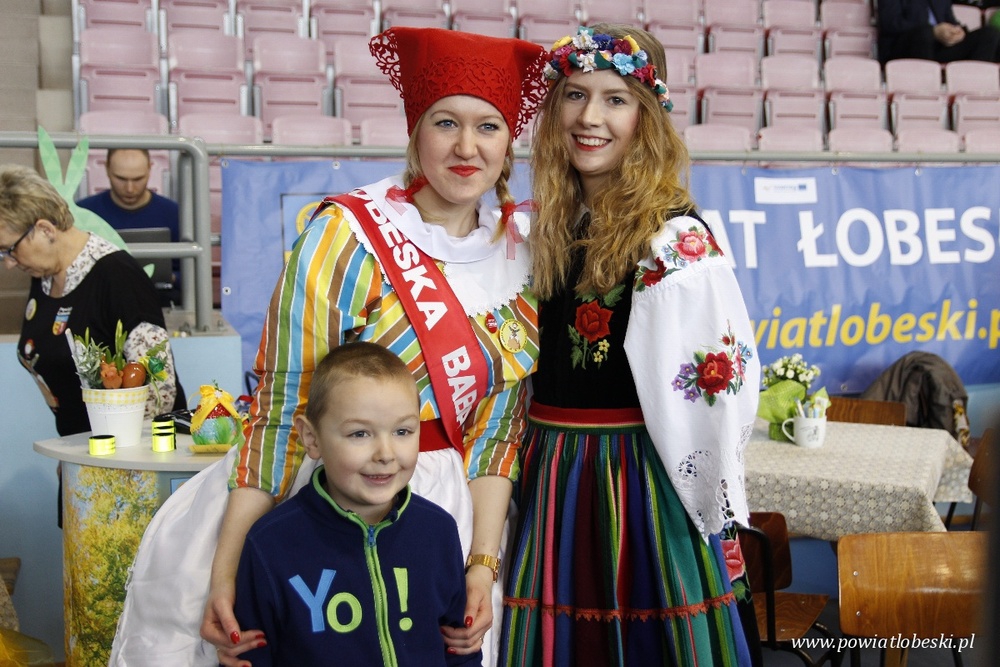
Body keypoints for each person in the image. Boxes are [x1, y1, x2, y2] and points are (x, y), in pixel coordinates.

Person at [108, 27, 548, 667]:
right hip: (325, 503)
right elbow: (284, 406)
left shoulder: (521, 254)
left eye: (488, 127)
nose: (465, 147)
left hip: (451, 520)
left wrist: (481, 564)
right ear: (415, 133)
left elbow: (498, 434)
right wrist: (227, 568)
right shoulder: (346, 236)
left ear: (509, 143)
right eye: (445, 122)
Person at [498, 25, 761, 666]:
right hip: (550, 465)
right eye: (575, 95)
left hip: (635, 479)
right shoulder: (547, 225)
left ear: (647, 117)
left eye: (615, 99)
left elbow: (716, 390)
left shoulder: (672, 239)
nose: (590, 117)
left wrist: (705, 506)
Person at [232, 342, 480, 666]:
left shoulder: (439, 531)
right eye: (360, 434)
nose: (385, 454)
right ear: (312, 438)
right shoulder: (270, 544)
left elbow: (460, 652)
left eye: (403, 431)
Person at [1, 163, 183, 437]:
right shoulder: (44, 274)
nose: (9, 263)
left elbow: (160, 391)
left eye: (10, 250)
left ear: (45, 230)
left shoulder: (118, 276)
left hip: (128, 452)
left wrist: (113, 453)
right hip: (81, 449)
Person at [76, 148, 181, 305]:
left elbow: (193, 273)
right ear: (107, 169)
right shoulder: (82, 213)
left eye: (138, 179)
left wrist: (171, 277)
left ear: (150, 169)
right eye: (121, 179)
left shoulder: (175, 213)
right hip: (98, 302)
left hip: (159, 300)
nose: (130, 188)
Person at [877, 0, 1000, 64]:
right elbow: (890, 24)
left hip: (938, 47)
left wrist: (957, 31)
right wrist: (934, 31)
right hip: (905, 48)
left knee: (989, 34)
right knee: (925, 33)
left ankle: (973, 87)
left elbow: (950, 20)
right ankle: (927, 87)